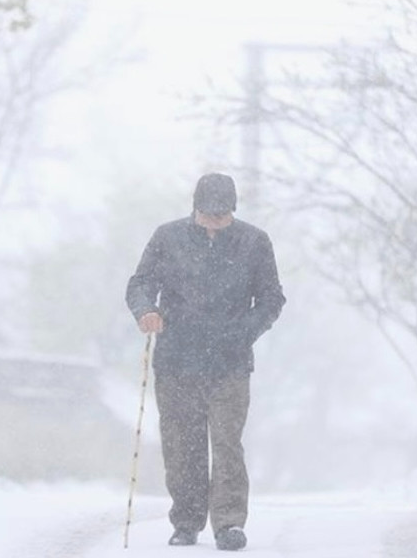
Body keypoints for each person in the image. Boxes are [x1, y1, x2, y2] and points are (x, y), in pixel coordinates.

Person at [126, 172, 286, 551]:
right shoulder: (168, 238)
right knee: (183, 446)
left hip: (230, 364)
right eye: (208, 215)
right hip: (176, 361)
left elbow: (271, 299)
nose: (215, 222)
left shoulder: (254, 242)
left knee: (228, 443)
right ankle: (186, 520)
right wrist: (146, 310)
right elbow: (140, 283)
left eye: (223, 215)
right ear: (195, 209)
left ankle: (229, 523)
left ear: (233, 211)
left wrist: (242, 332)